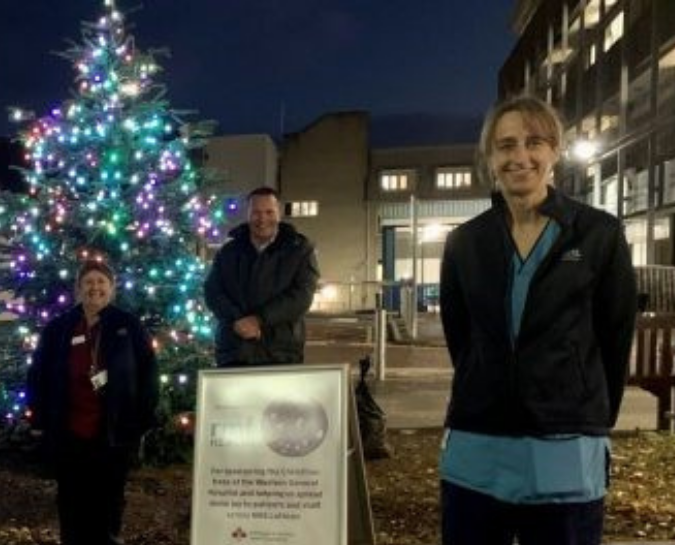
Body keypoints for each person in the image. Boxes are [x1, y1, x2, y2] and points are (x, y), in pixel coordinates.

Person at [438, 95, 637, 545]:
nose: (520, 156)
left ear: (554, 152)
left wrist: (586, 409)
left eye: (534, 142)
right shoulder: (464, 243)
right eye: (505, 145)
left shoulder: (599, 234)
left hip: (567, 446)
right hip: (477, 445)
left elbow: (615, 336)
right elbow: (461, 338)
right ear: (490, 157)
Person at [27, 260, 158, 545]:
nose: (95, 288)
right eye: (88, 282)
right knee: (71, 500)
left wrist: (143, 419)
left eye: (101, 282)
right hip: (69, 431)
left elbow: (149, 372)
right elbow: (38, 373)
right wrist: (38, 419)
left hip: (113, 431)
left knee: (109, 499)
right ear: (79, 288)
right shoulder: (59, 328)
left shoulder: (128, 325)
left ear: (111, 289)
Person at [204, 186, 320, 366]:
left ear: (279, 214)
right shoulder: (228, 252)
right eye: (256, 212)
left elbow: (301, 296)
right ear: (248, 215)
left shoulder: (300, 250)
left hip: (280, 353)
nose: (262, 219)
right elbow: (212, 291)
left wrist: (259, 320)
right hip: (234, 351)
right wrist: (237, 319)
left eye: (269, 212)